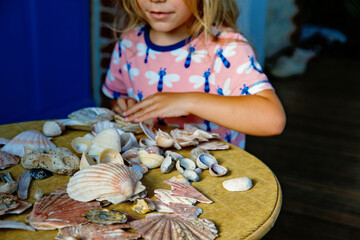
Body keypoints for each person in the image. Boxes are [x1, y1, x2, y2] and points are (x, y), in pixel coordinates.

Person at [102, 0, 286, 149]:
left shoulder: (227, 49)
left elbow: (273, 120)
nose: (156, 0)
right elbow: (117, 98)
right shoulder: (128, 44)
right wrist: (124, 106)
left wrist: (188, 101)